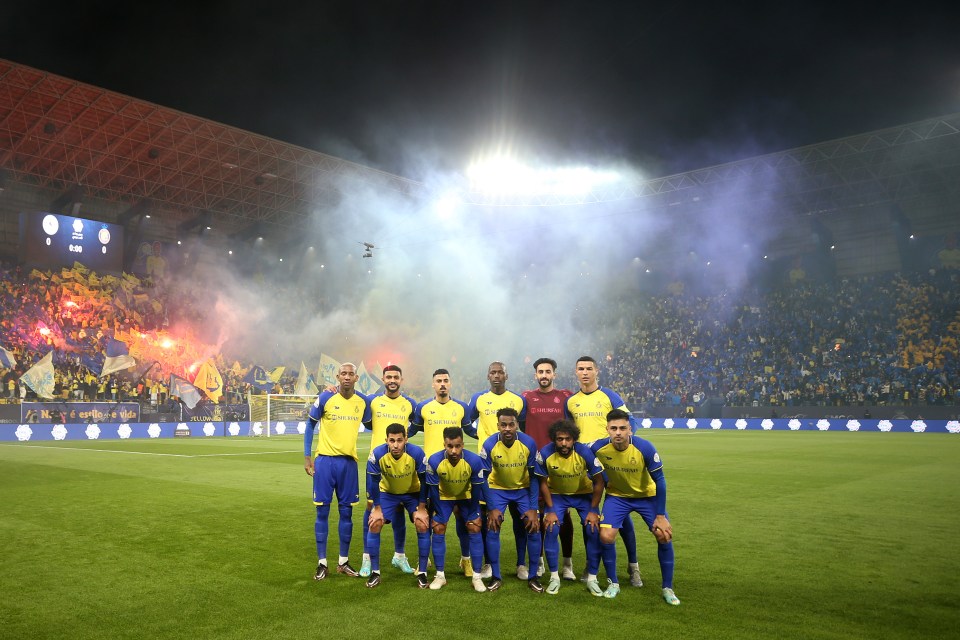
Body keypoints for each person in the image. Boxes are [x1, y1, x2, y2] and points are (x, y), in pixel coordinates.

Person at [565, 355, 644, 587]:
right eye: (581, 369)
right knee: (590, 516)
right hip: (585, 466)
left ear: (597, 371)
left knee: (622, 517)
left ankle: (634, 568)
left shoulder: (610, 396)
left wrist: (623, 447)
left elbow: (631, 424)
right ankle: (592, 568)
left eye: (589, 368)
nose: (585, 372)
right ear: (576, 372)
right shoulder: (571, 401)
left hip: (610, 464)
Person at [591, 409, 679, 605]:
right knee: (605, 535)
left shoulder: (644, 447)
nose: (618, 432)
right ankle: (613, 583)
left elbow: (661, 481)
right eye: (613, 428)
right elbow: (583, 457)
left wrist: (660, 515)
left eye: (623, 428)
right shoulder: (598, 447)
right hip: (617, 497)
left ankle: (667, 588)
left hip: (646, 497)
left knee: (663, 535)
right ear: (607, 430)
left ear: (630, 429)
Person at [303, 362, 371, 580]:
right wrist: (307, 457)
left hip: (348, 464)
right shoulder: (326, 397)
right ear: (337, 376)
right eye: (344, 373)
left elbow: (373, 425)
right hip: (324, 463)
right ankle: (322, 563)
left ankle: (343, 561)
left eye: (351, 374)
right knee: (322, 512)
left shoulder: (363, 402)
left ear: (357, 378)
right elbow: (309, 425)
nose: (347, 377)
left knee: (347, 513)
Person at [467, 361, 529, 579]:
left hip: (515, 467)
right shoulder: (478, 399)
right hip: (488, 467)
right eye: (492, 372)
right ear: (487, 375)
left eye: (500, 372)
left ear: (506, 375)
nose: (496, 375)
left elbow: (524, 426)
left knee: (519, 519)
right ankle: (489, 564)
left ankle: (521, 564)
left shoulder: (518, 400)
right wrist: (479, 438)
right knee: (488, 519)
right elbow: (467, 422)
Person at [408, 368, 473, 575]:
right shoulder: (423, 407)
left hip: (457, 471)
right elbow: (411, 430)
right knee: (427, 516)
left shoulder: (461, 408)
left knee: (462, 517)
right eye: (439, 381)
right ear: (433, 384)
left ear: (450, 383)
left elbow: (471, 431)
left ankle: (466, 559)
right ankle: (424, 560)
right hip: (430, 471)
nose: (442, 384)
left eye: (446, 380)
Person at [359, 364, 419, 578]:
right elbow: (367, 423)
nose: (392, 380)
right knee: (371, 510)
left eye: (395, 377)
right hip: (377, 463)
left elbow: (417, 424)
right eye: (388, 377)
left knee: (401, 506)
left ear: (401, 380)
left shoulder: (410, 404)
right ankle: (367, 558)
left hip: (401, 462)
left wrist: (404, 440)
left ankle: (399, 556)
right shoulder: (373, 402)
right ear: (382, 379)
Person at [534, 418, 605, 595]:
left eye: (567, 439)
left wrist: (594, 510)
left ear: (574, 439)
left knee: (593, 528)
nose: (564, 443)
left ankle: (592, 577)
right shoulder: (545, 453)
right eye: (560, 439)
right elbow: (542, 483)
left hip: (583, 495)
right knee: (550, 528)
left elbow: (599, 481)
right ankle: (554, 577)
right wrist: (549, 510)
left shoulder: (585, 452)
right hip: (557, 495)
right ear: (554, 439)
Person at [522, 357, 576, 580]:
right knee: (537, 512)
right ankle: (540, 559)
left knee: (564, 513)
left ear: (554, 374)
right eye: (540, 372)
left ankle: (567, 563)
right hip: (534, 464)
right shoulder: (526, 398)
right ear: (535, 375)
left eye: (548, 371)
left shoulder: (566, 398)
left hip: (560, 463)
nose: (544, 375)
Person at [479, 407, 543, 592]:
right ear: (498, 425)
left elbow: (534, 477)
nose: (507, 428)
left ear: (517, 425)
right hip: (498, 489)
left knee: (533, 527)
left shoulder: (528, 443)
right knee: (492, 526)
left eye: (511, 424)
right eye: (503, 425)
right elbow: (483, 477)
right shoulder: (490, 444)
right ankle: (496, 576)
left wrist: (533, 507)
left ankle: (532, 575)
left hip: (522, 489)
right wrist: (491, 507)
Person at [365, 423, 431, 588]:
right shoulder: (377, 454)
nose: (396, 445)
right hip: (388, 493)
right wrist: (377, 508)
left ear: (406, 439)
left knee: (422, 523)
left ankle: (422, 573)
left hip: (412, 494)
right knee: (375, 523)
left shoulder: (416, 453)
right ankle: (375, 572)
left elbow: (425, 482)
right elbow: (372, 483)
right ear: (386, 440)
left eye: (399, 440)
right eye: (392, 440)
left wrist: (422, 508)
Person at [424, 427, 488, 592]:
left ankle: (476, 576)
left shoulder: (474, 460)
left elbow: (476, 490)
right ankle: (440, 575)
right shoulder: (434, 460)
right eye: (450, 446)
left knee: (474, 526)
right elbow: (432, 490)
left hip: (465, 497)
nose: (454, 450)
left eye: (458, 446)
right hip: (443, 497)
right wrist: (438, 513)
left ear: (463, 445)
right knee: (438, 527)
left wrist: (474, 512)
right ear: (444, 444)